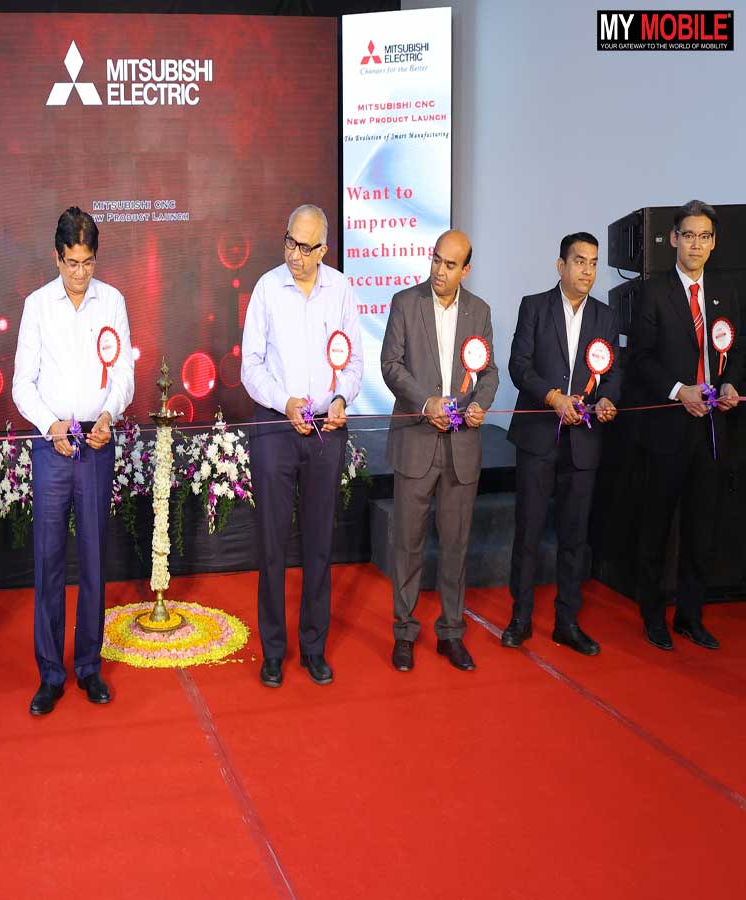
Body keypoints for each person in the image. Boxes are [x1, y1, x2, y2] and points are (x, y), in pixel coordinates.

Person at [12, 207, 133, 715]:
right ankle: (50, 674)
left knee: (93, 557)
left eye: (87, 262)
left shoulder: (113, 301)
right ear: (56, 257)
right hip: (53, 444)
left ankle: (88, 666)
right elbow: (22, 384)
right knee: (48, 560)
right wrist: (50, 425)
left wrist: (108, 414)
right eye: (71, 263)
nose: (80, 273)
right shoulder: (38, 305)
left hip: (97, 443)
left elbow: (124, 374)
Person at [240, 204, 363, 687]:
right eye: (290, 242)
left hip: (327, 430)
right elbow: (250, 366)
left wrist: (341, 398)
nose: (295, 254)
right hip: (276, 427)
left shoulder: (342, 290)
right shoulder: (267, 288)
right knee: (272, 543)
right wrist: (284, 401)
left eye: (305, 247)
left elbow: (353, 364)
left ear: (323, 250)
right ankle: (273, 650)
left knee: (318, 543)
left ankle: (314, 646)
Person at [380, 229, 499, 673]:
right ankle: (404, 632)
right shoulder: (405, 303)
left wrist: (481, 404)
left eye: (450, 265)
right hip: (415, 442)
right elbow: (390, 365)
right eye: (435, 260)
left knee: (455, 545)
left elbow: (488, 372)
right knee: (407, 545)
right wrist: (425, 402)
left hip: (461, 448)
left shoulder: (479, 311)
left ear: (466, 269)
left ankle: (451, 632)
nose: (439, 270)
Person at [628, 200, 742, 651]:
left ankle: (690, 616)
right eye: (689, 235)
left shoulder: (725, 290)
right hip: (668, 427)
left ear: (714, 243)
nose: (696, 244)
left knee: (702, 526)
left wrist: (731, 383)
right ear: (674, 238)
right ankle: (653, 614)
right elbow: (640, 358)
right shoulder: (654, 291)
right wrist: (679, 390)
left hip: (712, 428)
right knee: (658, 525)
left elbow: (738, 348)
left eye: (704, 236)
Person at [503, 233, 621, 655]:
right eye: (579, 261)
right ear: (561, 265)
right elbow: (519, 366)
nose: (587, 271)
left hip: (583, 441)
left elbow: (614, 373)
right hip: (538, 436)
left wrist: (608, 398)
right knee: (529, 531)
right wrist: (553, 398)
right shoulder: (534, 307)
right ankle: (520, 618)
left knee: (575, 536)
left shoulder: (606, 317)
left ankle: (567, 622)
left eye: (593, 263)